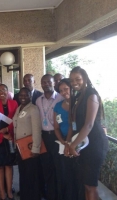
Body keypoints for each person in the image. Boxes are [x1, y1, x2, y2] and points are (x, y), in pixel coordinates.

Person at [67, 66, 108, 200]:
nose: (74, 83)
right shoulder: (77, 96)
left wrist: (73, 145)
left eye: (78, 79)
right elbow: (74, 123)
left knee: (91, 185)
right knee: (86, 185)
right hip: (83, 143)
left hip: (94, 144)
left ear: (85, 78)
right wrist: (70, 143)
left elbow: (89, 124)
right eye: (72, 80)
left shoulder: (91, 95)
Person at [35, 74, 63, 200]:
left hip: (57, 137)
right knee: (47, 169)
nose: (46, 84)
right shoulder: (38, 100)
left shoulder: (60, 98)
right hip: (44, 137)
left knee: (59, 168)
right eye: (43, 82)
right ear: (41, 84)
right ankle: (51, 196)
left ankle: (60, 195)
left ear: (53, 83)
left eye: (48, 82)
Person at [13, 88, 42, 200]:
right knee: (23, 174)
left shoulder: (33, 109)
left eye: (26, 94)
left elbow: (36, 129)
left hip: (30, 147)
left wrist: (36, 148)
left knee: (32, 175)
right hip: (21, 147)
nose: (23, 97)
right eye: (21, 95)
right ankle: (25, 196)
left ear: (30, 96)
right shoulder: (19, 108)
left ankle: (34, 197)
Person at [0, 84, 18, 200]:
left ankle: (9, 191)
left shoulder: (14, 103)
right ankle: (2, 192)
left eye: (4, 90)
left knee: (9, 166)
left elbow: (16, 119)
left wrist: (8, 131)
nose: (2, 92)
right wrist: (3, 133)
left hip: (10, 137)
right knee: (0, 166)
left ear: (8, 91)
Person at [53, 79, 78, 200]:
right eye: (61, 90)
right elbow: (56, 127)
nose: (64, 92)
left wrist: (68, 143)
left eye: (66, 89)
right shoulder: (58, 106)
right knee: (65, 173)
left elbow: (72, 126)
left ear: (71, 87)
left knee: (76, 175)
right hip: (63, 142)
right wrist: (63, 142)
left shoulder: (77, 103)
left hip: (77, 142)